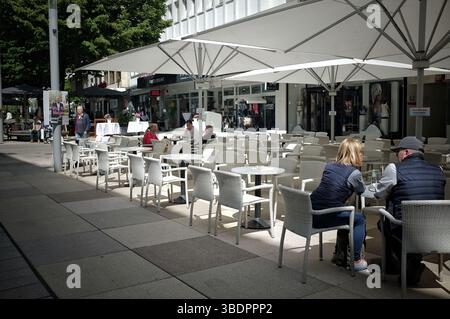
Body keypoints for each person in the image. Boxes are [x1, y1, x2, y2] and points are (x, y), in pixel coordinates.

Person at [373, 136, 446, 285]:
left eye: (397, 152)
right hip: (436, 231)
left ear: (405, 152)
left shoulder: (394, 168)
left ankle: (400, 263)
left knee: (384, 223)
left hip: (406, 229)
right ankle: (410, 261)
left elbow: (379, 194)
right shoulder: (438, 169)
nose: (396, 155)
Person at [310, 138, 368, 271]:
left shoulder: (329, 166)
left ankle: (339, 255)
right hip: (324, 217)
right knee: (359, 219)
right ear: (354, 154)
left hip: (312, 211)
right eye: (360, 152)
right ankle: (356, 259)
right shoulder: (354, 173)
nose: (362, 155)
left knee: (348, 214)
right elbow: (361, 191)